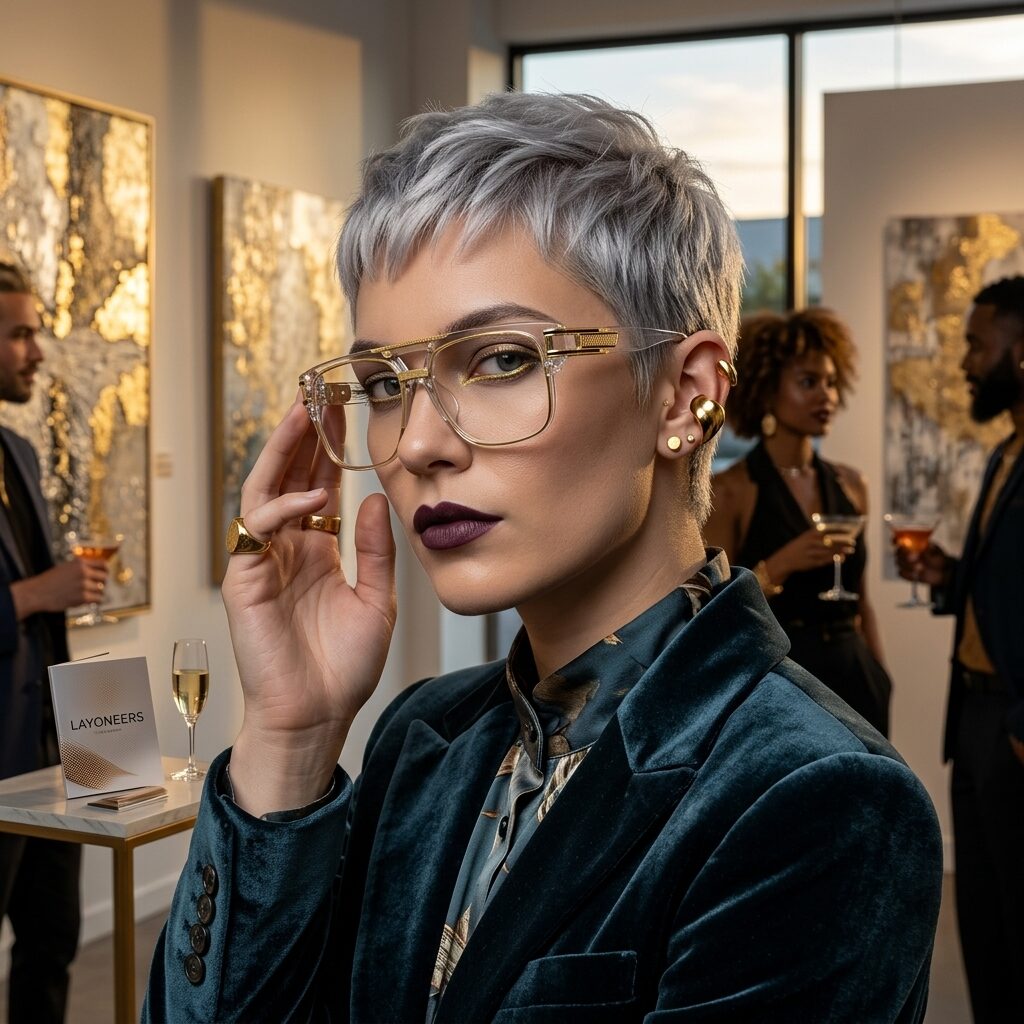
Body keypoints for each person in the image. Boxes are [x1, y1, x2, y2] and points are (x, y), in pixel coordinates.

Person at [145, 94, 941, 1023]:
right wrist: (290, 737)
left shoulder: (817, 798)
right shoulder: (423, 736)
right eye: (385, 383)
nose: (416, 444)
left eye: (502, 360)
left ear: (685, 398)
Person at [896, 276, 1024, 1023]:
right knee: (983, 925)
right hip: (972, 719)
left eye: (978, 345)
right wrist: (948, 576)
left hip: (1012, 722)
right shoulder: (1006, 452)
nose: (967, 363)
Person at [0, 261, 109, 1023]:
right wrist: (40, 592)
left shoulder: (20, 451)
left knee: (52, 943)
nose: (37, 351)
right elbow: (32, 593)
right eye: (20, 334)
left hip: (54, 748)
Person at [705, 308, 892, 735]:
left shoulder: (852, 485)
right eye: (809, 382)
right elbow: (714, 612)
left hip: (857, 679)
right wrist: (781, 565)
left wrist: (881, 677)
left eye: (831, 382)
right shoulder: (732, 490)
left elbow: (861, 602)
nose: (826, 396)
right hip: (780, 680)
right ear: (767, 391)